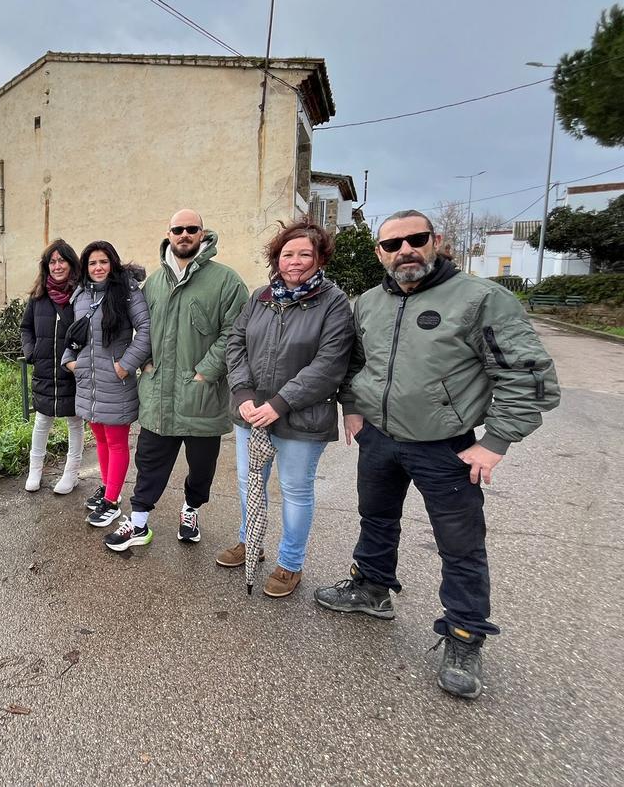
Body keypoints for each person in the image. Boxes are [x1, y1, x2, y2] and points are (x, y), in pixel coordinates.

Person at [314, 209, 560, 700]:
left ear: (436, 241)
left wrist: (495, 442)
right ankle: (372, 588)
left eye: (415, 239)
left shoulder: (481, 299)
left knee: (460, 542)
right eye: (391, 244)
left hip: (446, 445)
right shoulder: (368, 303)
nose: (404, 250)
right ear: (380, 253)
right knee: (376, 518)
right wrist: (354, 407)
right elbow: (356, 362)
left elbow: (527, 376)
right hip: (380, 438)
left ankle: (465, 634)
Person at [218, 218, 354, 597]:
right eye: (287, 254)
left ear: (320, 258)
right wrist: (243, 394)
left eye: (304, 254)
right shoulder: (260, 297)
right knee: (250, 484)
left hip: (302, 417)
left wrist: (280, 404)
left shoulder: (333, 302)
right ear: (276, 258)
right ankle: (251, 542)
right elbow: (236, 343)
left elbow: (330, 363)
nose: (295, 261)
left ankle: (290, 564)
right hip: (252, 414)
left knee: (295, 490)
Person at [103, 209, 248, 552]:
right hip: (158, 393)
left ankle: (191, 509)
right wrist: (146, 360)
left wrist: (207, 371)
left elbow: (236, 332)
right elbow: (139, 327)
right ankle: (138, 523)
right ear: (168, 234)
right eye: (177, 229)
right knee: (150, 461)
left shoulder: (226, 281)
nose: (184, 234)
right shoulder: (153, 282)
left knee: (201, 468)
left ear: (203, 234)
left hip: (202, 394)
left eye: (191, 229)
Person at [61, 241, 150, 528]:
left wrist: (126, 365)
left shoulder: (126, 291)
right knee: (99, 438)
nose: (98, 268)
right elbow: (73, 335)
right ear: (85, 268)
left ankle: (112, 502)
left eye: (103, 262)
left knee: (116, 441)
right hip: (88, 381)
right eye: (92, 263)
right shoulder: (81, 294)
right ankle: (108, 488)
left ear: (113, 263)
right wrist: (69, 360)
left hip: (115, 380)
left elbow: (146, 329)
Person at [20, 239, 84, 495]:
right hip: (44, 369)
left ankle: (71, 473)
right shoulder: (38, 297)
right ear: (47, 266)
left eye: (62, 260)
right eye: (52, 261)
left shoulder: (80, 295)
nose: (57, 266)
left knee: (75, 422)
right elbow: (26, 328)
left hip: (72, 371)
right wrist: (31, 352)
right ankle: (35, 470)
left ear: (71, 263)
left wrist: (79, 361)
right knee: (42, 421)